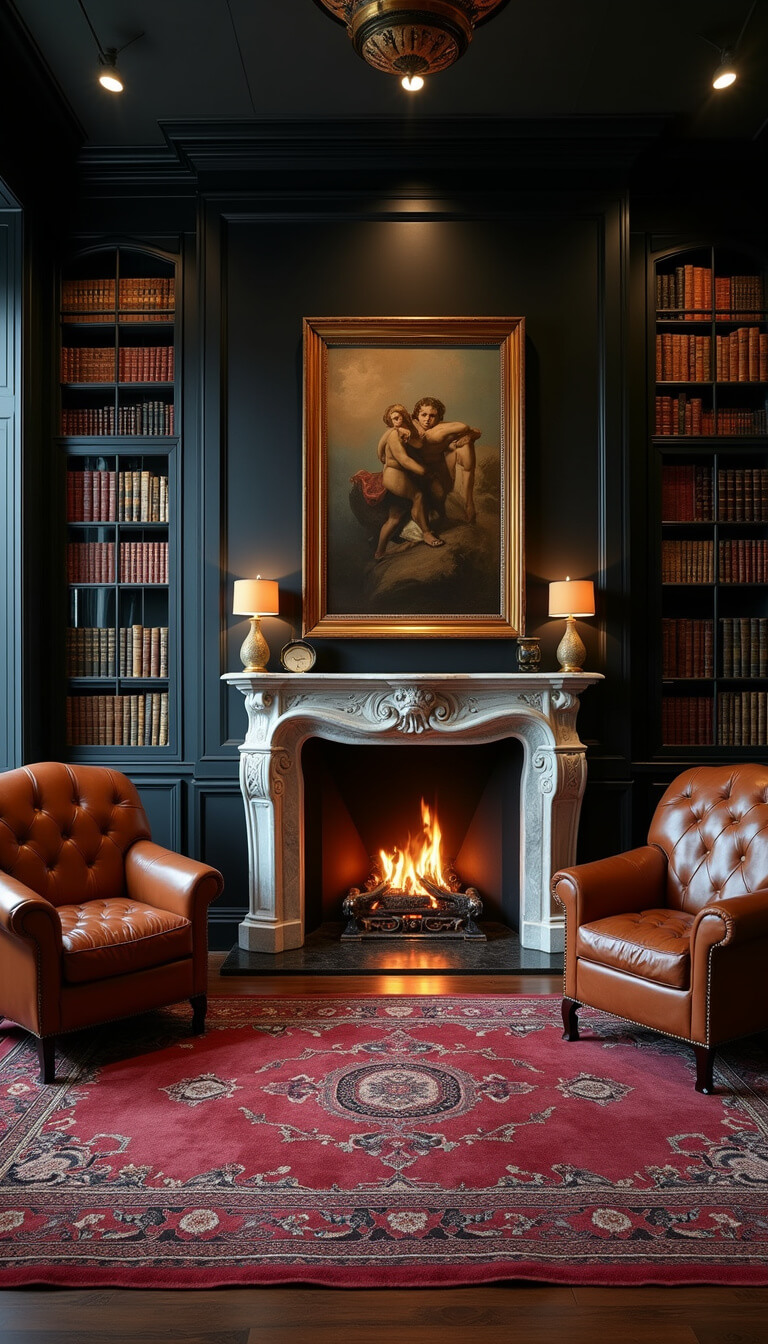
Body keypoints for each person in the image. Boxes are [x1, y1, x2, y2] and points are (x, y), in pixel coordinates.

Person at [374, 404, 444, 556]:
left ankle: (379, 553)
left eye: (401, 417)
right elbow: (404, 460)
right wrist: (425, 471)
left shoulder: (404, 432)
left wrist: (410, 433)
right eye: (394, 418)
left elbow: (418, 444)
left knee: (394, 517)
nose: (398, 421)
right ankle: (427, 534)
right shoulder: (393, 434)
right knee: (418, 496)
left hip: (397, 477)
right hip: (395, 475)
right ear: (389, 421)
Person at [411, 397, 480, 524]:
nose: (427, 419)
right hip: (417, 472)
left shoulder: (439, 428)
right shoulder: (412, 427)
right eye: (424, 415)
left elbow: (473, 430)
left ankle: (469, 504)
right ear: (417, 415)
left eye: (432, 416)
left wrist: (470, 436)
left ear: (439, 418)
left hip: (438, 469)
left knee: (465, 446)